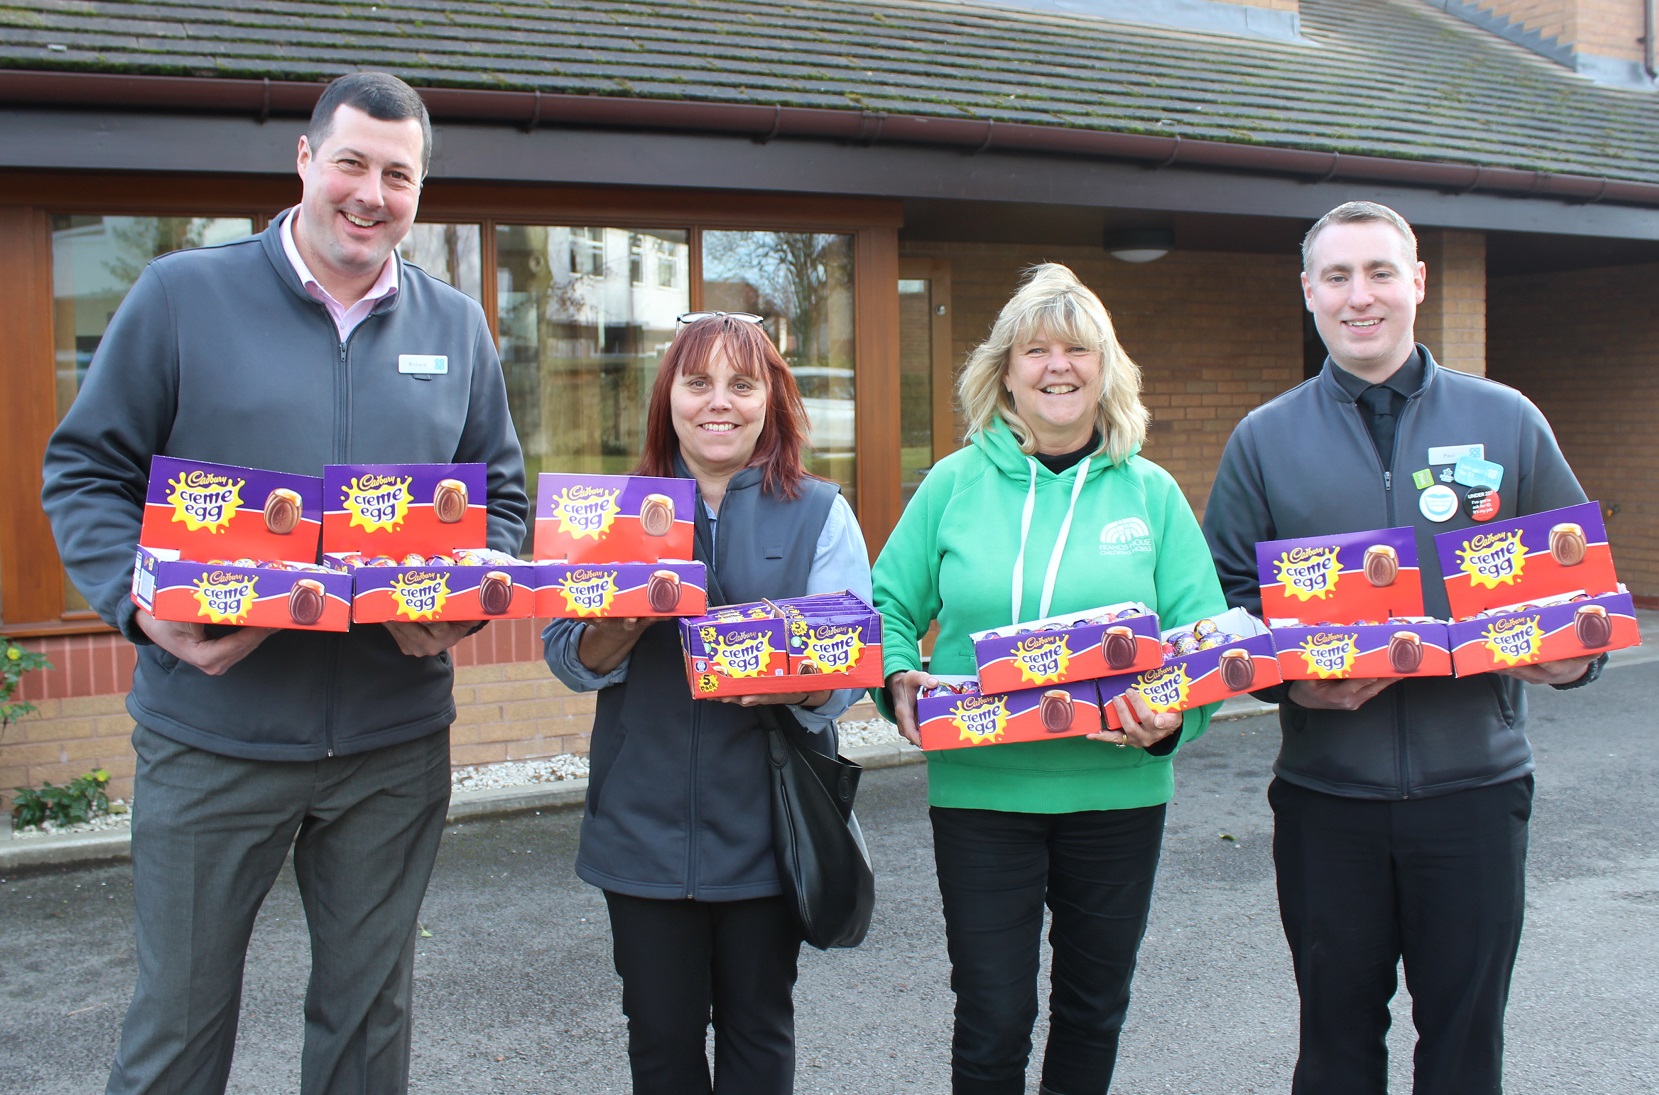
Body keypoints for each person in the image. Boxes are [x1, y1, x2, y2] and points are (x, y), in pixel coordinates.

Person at [40, 73, 527, 1095]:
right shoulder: (182, 296)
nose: (371, 193)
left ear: (420, 190)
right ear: (305, 161)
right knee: (176, 1029)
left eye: (398, 174)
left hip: (392, 746)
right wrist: (139, 608)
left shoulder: (456, 327)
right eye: (351, 161)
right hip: (214, 733)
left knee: (366, 1024)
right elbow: (85, 473)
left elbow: (501, 505)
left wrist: (455, 611)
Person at [1203, 200, 1604, 1095]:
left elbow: (1578, 588)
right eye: (1337, 276)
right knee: (1335, 1046)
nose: (1360, 297)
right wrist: (1290, 690)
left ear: (1416, 283)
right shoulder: (1262, 441)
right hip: (1325, 799)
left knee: (1463, 1049)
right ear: (1308, 291)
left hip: (1474, 793)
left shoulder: (1507, 421)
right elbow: (1223, 605)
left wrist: (1576, 656)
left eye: (1379, 272)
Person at [873, 263, 1228, 1095]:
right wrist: (895, 676)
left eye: (1077, 348)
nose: (1057, 366)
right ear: (1004, 371)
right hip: (982, 794)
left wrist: (1170, 719)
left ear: (1106, 370)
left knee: (1092, 1007)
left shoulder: (1152, 493)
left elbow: (1203, 643)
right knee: (993, 1014)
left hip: (1115, 796)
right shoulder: (953, 485)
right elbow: (887, 601)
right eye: (1036, 349)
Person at [541, 312, 872, 1095]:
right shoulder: (612, 512)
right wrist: (617, 628)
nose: (717, 403)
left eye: (741, 383)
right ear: (669, 399)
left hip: (767, 831)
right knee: (659, 1045)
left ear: (770, 399)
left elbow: (848, 671)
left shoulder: (821, 512)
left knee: (760, 1034)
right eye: (697, 383)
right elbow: (566, 657)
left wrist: (800, 679)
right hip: (641, 832)